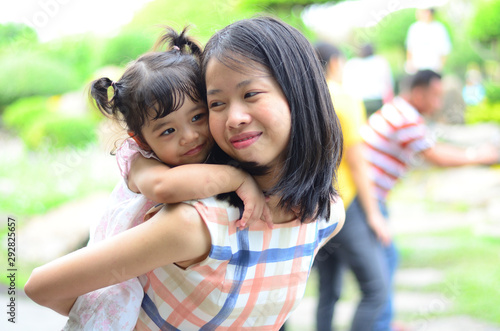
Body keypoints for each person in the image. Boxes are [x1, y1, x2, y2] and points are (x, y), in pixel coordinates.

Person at [24, 16, 345, 330]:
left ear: (301, 93)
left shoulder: (325, 217)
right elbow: (42, 285)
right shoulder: (194, 224)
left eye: (250, 94)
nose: (235, 118)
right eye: (217, 103)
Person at [64, 26, 274, 330]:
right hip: (112, 288)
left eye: (198, 117)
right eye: (168, 130)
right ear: (142, 140)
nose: (189, 136)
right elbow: (165, 188)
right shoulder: (141, 162)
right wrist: (238, 179)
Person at [362, 69, 499, 331]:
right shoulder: (405, 117)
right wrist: (480, 156)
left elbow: (433, 147)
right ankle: (381, 324)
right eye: (435, 96)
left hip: (368, 197)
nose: (438, 103)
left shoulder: (399, 111)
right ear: (418, 93)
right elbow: (436, 156)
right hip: (367, 200)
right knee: (384, 263)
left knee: (383, 261)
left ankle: (384, 321)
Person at [313, 42, 389, 331]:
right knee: (376, 289)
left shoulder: (301, 98)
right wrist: (374, 215)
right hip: (344, 205)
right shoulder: (343, 98)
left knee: (328, 291)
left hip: (313, 206)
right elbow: (357, 163)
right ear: (334, 63)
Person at [342, 43, 394, 117]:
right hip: (377, 101)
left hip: (360, 102)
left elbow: (346, 86)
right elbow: (388, 84)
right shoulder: (380, 61)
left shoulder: (352, 64)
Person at [405, 7, 451, 74]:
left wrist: (440, 68)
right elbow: (409, 49)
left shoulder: (439, 29)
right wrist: (410, 65)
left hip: (434, 69)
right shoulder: (414, 28)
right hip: (417, 69)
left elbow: (445, 51)